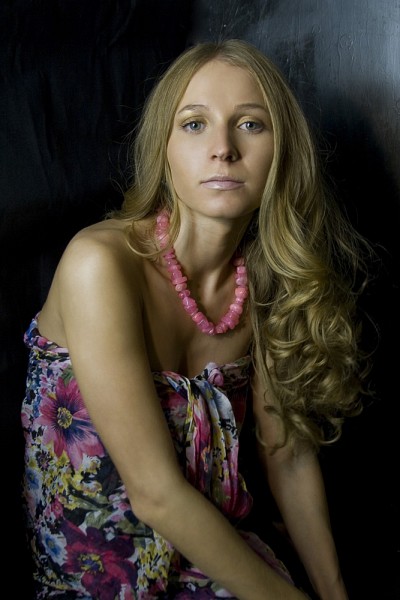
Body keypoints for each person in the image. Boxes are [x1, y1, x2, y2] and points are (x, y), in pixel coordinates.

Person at [21, 39, 373, 599]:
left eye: (250, 124)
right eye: (194, 124)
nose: (223, 149)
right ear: (163, 150)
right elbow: (155, 493)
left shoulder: (264, 281)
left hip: (217, 558)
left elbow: (286, 456)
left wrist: (334, 593)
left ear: (283, 150)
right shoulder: (100, 265)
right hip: (98, 579)